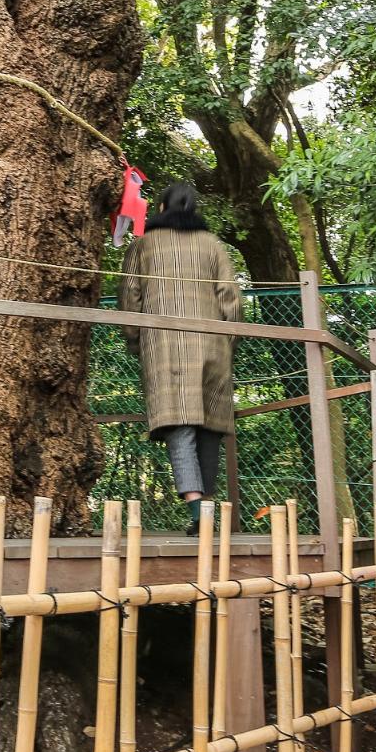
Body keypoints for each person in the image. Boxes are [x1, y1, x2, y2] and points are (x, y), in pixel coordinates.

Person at [117, 182, 242, 535]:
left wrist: (136, 342)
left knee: (180, 426)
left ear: (160, 208)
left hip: (164, 345)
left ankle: (197, 512)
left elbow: (130, 298)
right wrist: (226, 343)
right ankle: (205, 510)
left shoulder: (143, 245)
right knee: (209, 428)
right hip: (213, 346)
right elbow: (231, 300)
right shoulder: (213, 246)